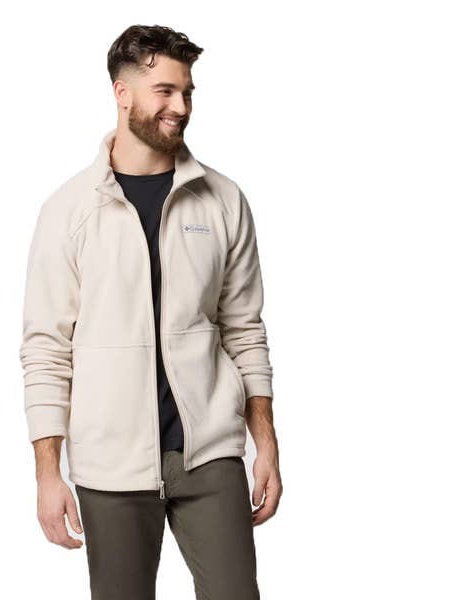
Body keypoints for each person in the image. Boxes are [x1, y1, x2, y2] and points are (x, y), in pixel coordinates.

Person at [19, 24, 283, 600]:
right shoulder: (68, 211)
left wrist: (265, 443)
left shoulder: (223, 200)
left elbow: (245, 330)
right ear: (122, 93)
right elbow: (46, 348)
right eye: (165, 91)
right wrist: (47, 472)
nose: (180, 107)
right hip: (110, 463)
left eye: (187, 92)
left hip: (210, 453)